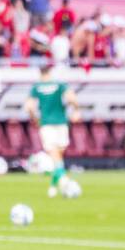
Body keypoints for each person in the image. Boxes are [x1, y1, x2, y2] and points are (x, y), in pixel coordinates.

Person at [27, 63, 80, 196]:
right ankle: (56, 186)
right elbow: (72, 98)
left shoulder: (37, 87)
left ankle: (62, 181)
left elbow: (29, 107)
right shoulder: (59, 84)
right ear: (50, 71)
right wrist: (76, 110)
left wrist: (34, 118)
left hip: (46, 124)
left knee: (55, 156)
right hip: (61, 122)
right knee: (58, 156)